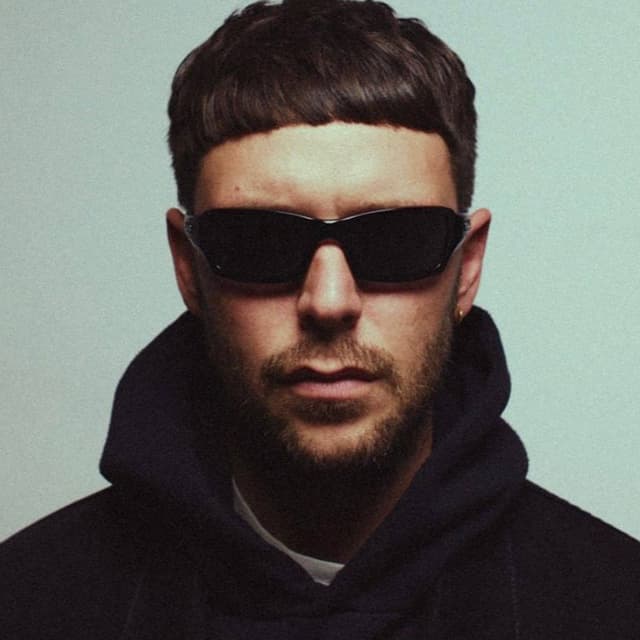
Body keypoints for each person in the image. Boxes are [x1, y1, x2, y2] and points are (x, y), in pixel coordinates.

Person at [2, 1, 639, 637]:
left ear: (467, 268)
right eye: (259, 242)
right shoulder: (27, 602)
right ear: (188, 268)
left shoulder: (615, 605)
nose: (329, 302)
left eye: (397, 240)